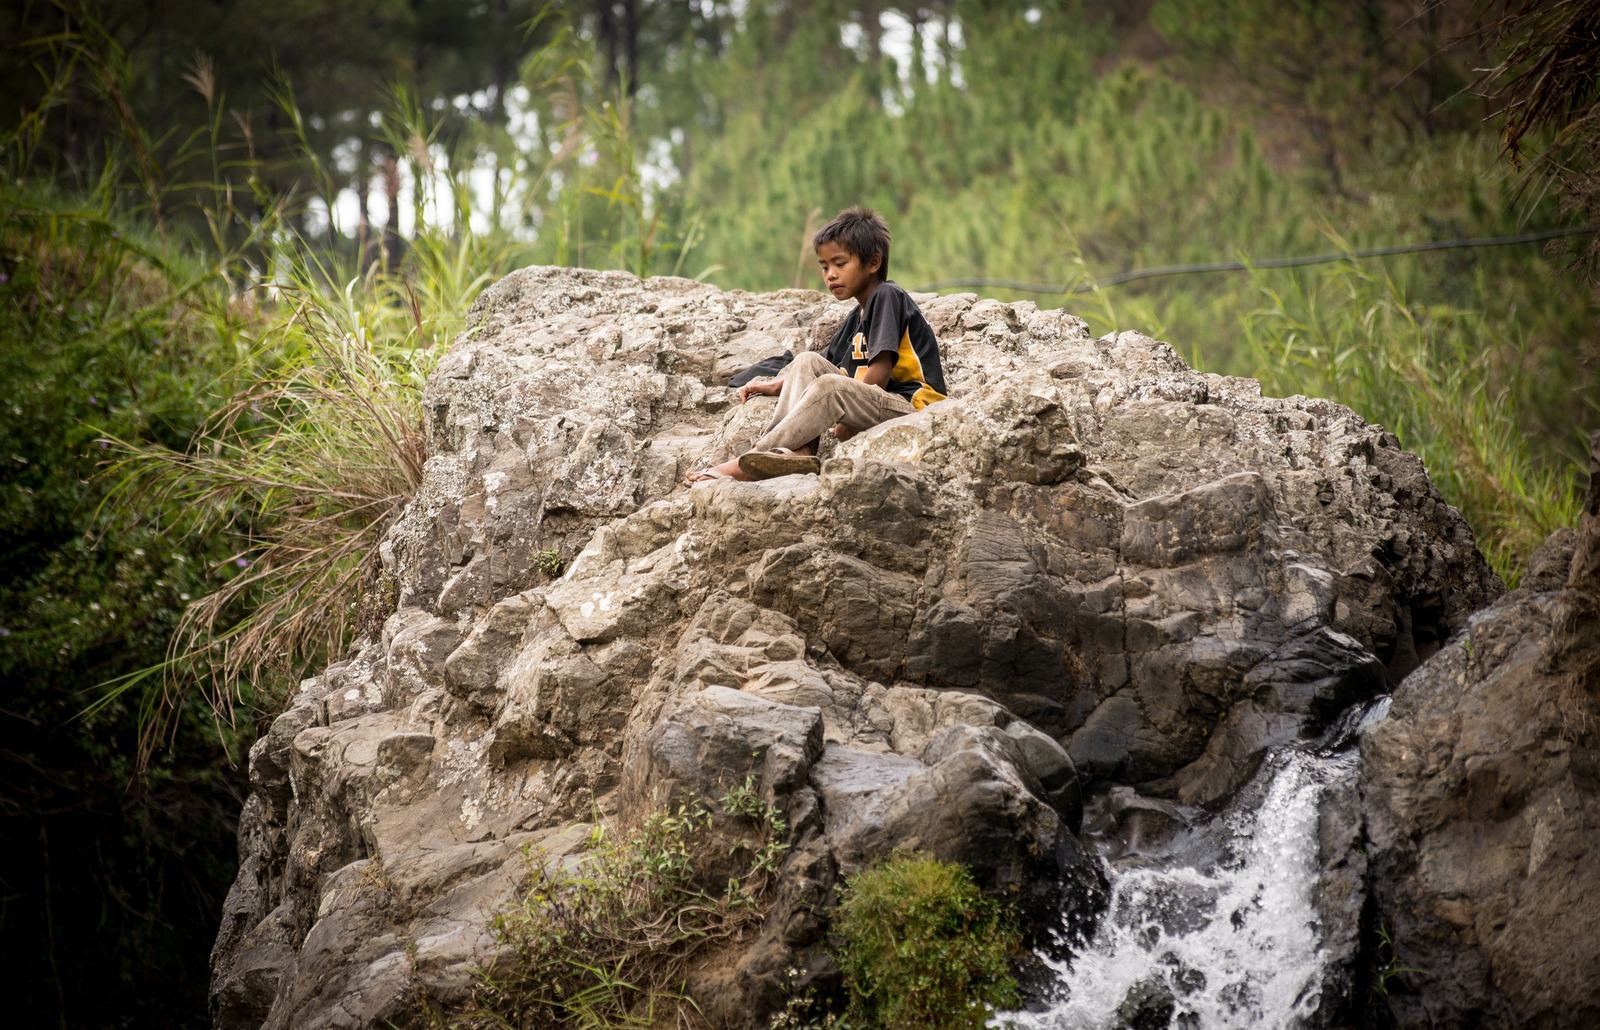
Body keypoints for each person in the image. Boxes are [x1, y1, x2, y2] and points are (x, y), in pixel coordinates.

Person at [686, 206, 948, 483]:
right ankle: (794, 451)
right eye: (824, 267)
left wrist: (850, 419)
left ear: (873, 263)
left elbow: (879, 372)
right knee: (805, 360)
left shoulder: (887, 297)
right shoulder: (854, 318)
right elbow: (819, 366)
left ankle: (748, 460)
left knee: (830, 388)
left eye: (840, 263)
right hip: (875, 401)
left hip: (913, 406)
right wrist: (776, 384)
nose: (830, 275)